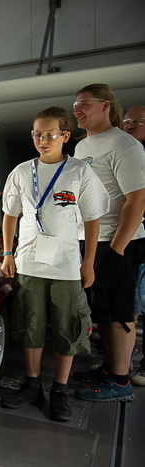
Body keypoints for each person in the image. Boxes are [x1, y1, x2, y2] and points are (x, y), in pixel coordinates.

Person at [0, 106, 109, 422]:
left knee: (67, 327)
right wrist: (8, 253)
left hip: (65, 267)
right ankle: (33, 384)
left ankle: (59, 388)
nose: (42, 140)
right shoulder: (22, 171)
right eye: (37, 134)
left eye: (49, 134)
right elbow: (10, 214)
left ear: (65, 136)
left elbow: (92, 219)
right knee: (30, 325)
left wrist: (88, 264)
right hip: (29, 264)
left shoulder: (79, 171)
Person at [70, 84, 145, 402]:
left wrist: (117, 248)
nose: (77, 109)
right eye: (75, 104)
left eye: (84, 103)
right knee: (101, 308)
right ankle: (111, 367)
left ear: (105, 105)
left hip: (117, 241)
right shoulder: (84, 146)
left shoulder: (124, 145)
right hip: (90, 239)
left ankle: (120, 380)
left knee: (119, 311)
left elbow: (137, 200)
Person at [123, 105, 145, 387]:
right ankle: (121, 360)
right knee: (131, 303)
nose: (130, 126)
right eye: (127, 122)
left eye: (137, 122)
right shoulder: (127, 153)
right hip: (132, 239)